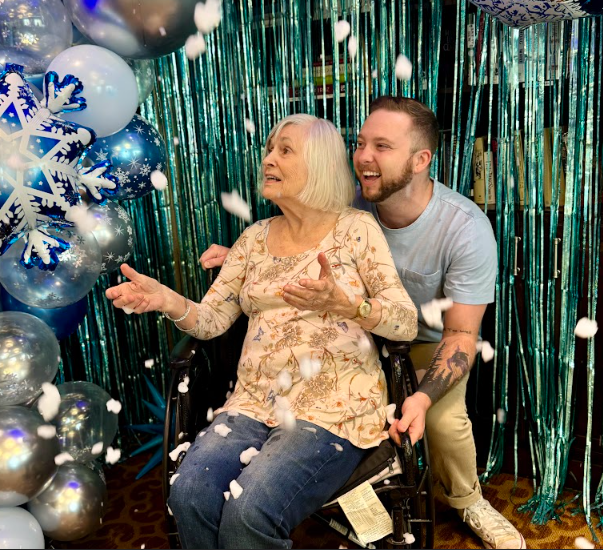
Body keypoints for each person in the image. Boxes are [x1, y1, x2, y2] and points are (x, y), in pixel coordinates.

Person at [201, 97, 526, 550]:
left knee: (444, 420)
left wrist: (422, 398)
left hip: (428, 341)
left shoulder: (464, 228)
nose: (364, 157)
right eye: (360, 143)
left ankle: (468, 499)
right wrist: (242, 260)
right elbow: (294, 229)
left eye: (382, 146)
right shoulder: (349, 202)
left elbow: (461, 335)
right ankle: (339, 499)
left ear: (420, 160)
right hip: (349, 338)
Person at [106, 113, 418, 550]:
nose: (268, 159)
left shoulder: (356, 230)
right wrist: (167, 300)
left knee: (250, 512)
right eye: (269, 148)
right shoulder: (252, 239)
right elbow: (212, 320)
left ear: (320, 164)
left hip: (331, 407)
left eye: (285, 150)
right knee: (190, 494)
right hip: (254, 402)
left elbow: (406, 320)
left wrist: (351, 305)